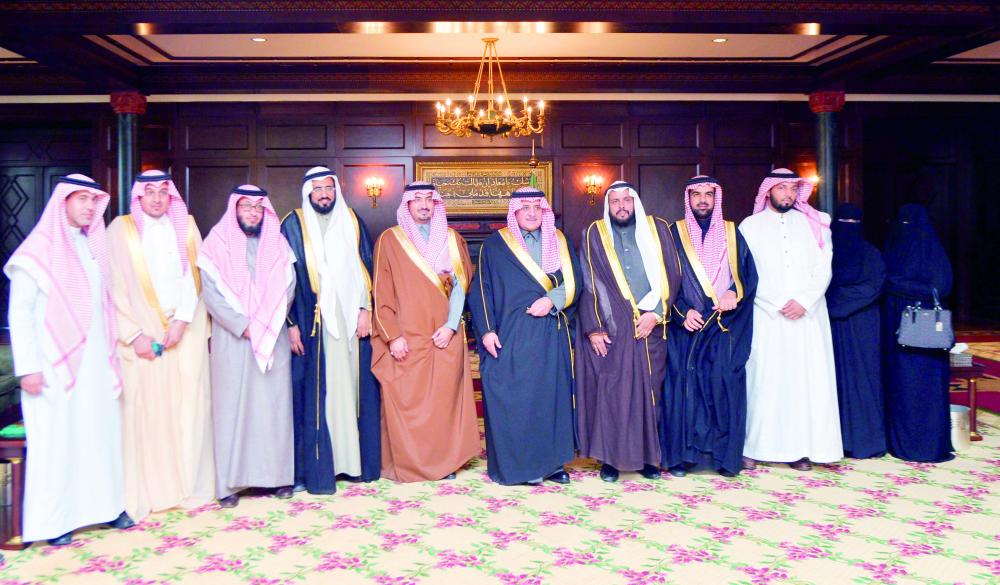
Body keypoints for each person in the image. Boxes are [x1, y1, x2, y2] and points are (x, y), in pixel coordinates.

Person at [4, 174, 133, 545]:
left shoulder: (93, 247)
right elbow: (20, 313)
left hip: (96, 362)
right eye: (81, 200)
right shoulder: (37, 250)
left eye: (94, 201)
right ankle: (55, 523)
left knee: (99, 436)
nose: (89, 207)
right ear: (63, 202)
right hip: (52, 366)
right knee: (57, 443)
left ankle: (107, 509)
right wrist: (28, 368)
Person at [106, 170, 215, 520]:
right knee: (145, 414)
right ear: (138, 197)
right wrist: (133, 334)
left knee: (188, 409)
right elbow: (112, 286)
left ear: (172, 197)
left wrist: (182, 321)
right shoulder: (120, 230)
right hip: (142, 336)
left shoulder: (187, 226)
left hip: (183, 332)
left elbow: (196, 278)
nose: (156, 199)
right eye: (149, 192)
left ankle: (187, 487)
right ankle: (149, 493)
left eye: (162, 192)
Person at [468, 187, 579, 486]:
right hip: (510, 335)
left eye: (536, 207)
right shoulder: (495, 245)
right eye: (525, 207)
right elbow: (481, 289)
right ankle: (518, 467)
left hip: (549, 333)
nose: (531, 213)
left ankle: (553, 465)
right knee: (515, 400)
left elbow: (575, 280)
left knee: (551, 399)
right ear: (514, 211)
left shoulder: (559, 240)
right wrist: (486, 330)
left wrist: (552, 301)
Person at [280, 166, 381, 493]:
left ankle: (353, 464)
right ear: (308, 193)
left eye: (329, 188)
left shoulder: (351, 220)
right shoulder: (292, 224)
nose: (324, 194)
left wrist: (365, 310)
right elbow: (283, 281)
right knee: (317, 393)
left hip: (351, 320)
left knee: (351, 390)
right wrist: (291, 325)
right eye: (318, 189)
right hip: (312, 322)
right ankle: (320, 467)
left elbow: (366, 266)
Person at [370, 182, 479, 482]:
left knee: (443, 406)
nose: (423, 204)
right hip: (406, 339)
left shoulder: (452, 239)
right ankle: (410, 465)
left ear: (436, 204)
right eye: (416, 199)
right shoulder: (389, 240)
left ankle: (444, 464)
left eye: (429, 199)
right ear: (406, 204)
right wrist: (392, 336)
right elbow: (381, 292)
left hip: (444, 336)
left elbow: (460, 287)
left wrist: (451, 326)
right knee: (409, 404)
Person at [575, 180, 682, 482]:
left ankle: (648, 458)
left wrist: (656, 314)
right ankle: (610, 460)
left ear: (635, 202)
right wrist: (595, 327)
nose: (621, 207)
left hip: (651, 326)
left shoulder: (658, 229)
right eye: (615, 201)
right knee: (613, 394)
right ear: (608, 205)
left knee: (651, 392)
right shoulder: (595, 233)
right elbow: (589, 281)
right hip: (614, 327)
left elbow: (673, 273)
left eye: (626, 200)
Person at [197, 185, 297, 507]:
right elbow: (211, 295)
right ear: (235, 210)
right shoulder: (215, 244)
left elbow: (289, 286)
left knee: (274, 410)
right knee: (232, 410)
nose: (253, 213)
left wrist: (267, 321)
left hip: (272, 337)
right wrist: (244, 326)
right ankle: (231, 484)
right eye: (246, 207)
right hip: (234, 340)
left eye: (258, 207)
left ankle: (277, 478)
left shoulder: (278, 244)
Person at [739, 169, 842, 471]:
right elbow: (746, 272)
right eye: (781, 188)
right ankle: (755, 447)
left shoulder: (815, 223)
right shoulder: (749, 226)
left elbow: (824, 268)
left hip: (807, 318)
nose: (787, 194)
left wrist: (804, 302)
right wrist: (776, 302)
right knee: (764, 382)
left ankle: (800, 450)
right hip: (767, 317)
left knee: (803, 384)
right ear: (768, 191)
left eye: (793, 188)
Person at [662, 176, 757, 477]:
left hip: (722, 326)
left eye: (708, 194)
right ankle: (683, 459)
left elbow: (748, 276)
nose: (703, 199)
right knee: (684, 389)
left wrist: (734, 292)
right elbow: (663, 280)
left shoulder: (732, 233)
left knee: (723, 387)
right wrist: (681, 313)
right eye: (697, 194)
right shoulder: (673, 234)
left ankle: (723, 459)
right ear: (688, 199)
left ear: (716, 199)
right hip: (687, 328)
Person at [881, 204, 954, 462]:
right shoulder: (892, 250)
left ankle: (927, 445)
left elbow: (941, 286)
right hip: (897, 333)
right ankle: (901, 443)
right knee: (900, 388)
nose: (905, 229)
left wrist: (897, 284)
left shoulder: (933, 254)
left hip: (925, 334)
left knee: (926, 390)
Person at [828, 203, 887, 459]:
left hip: (859, 326)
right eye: (844, 223)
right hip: (835, 324)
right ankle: (833, 441)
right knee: (832, 379)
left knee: (863, 379)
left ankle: (865, 441)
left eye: (854, 224)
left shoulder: (871, 255)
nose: (848, 229)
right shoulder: (824, 252)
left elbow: (874, 286)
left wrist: (833, 303)